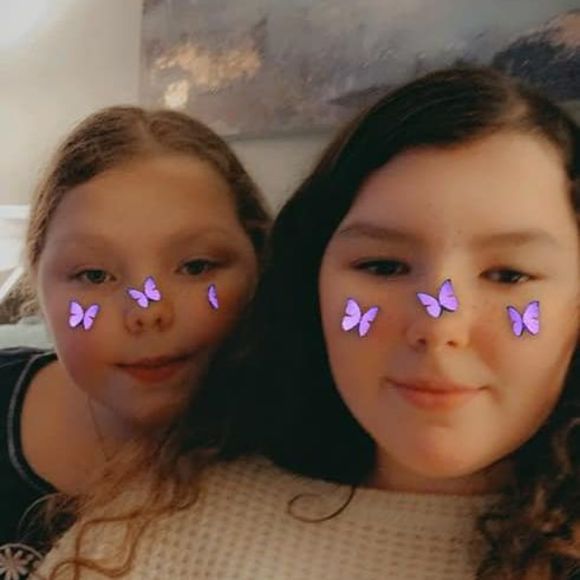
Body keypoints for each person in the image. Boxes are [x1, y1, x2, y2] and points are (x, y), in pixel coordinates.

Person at [39, 66, 580, 579]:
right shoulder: (155, 529)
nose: (439, 326)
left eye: (509, 275)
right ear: (310, 279)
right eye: (383, 266)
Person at [0, 105, 270, 578]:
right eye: (94, 275)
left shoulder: (299, 448)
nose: (147, 310)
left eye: (196, 267)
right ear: (37, 284)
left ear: (261, 262)